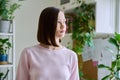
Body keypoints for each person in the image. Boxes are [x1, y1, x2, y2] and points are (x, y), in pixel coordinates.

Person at [16, 7, 80, 80]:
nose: (63, 26)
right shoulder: (28, 53)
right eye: (58, 22)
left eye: (64, 21)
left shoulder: (71, 56)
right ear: (47, 24)